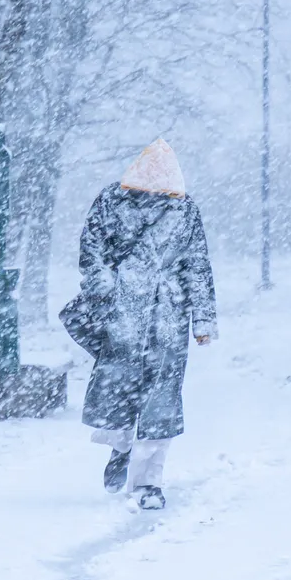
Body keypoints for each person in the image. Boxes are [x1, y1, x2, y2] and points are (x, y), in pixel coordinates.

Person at [73, 138, 218, 510]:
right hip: (123, 313)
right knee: (117, 388)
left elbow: (196, 265)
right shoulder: (111, 202)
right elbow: (92, 251)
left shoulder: (185, 210)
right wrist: (104, 291)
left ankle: (148, 483)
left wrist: (202, 319)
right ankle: (120, 448)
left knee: (161, 400)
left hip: (168, 316)